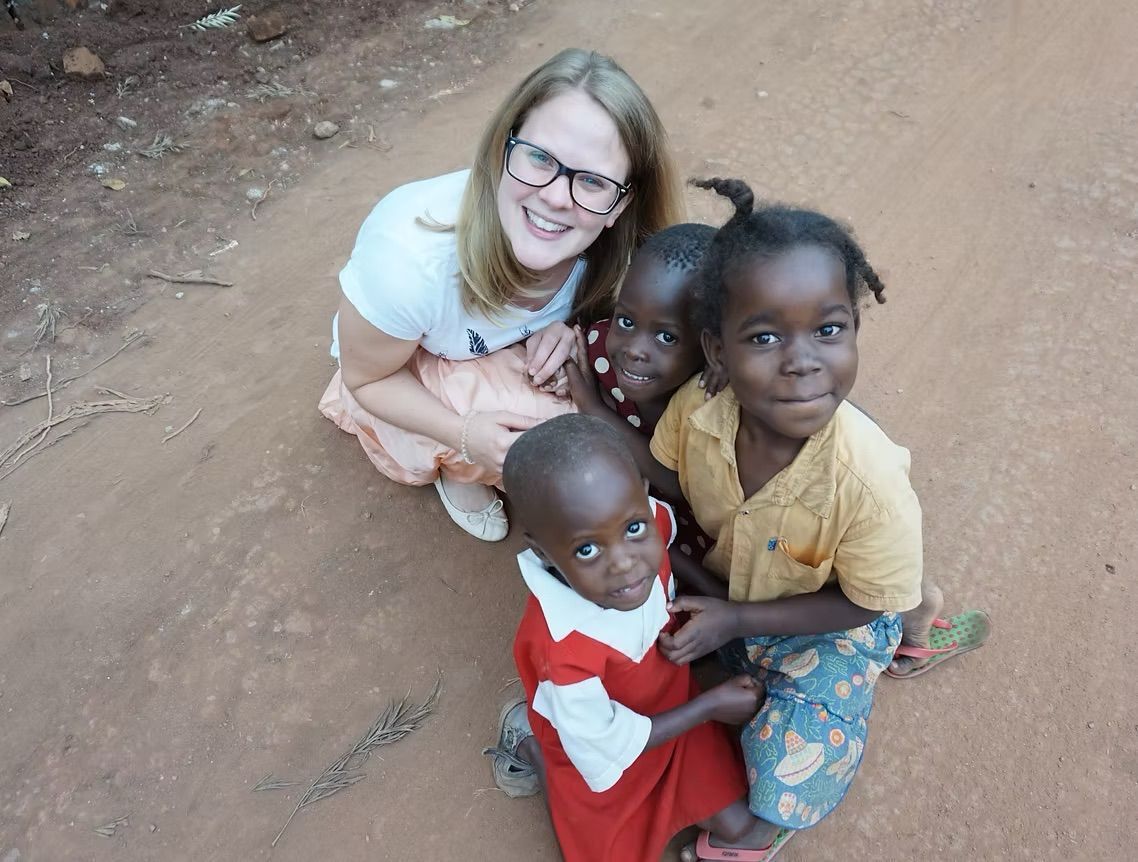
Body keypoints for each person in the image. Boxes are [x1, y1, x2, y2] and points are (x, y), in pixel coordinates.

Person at [648, 178, 990, 840]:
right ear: (718, 352)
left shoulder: (870, 479)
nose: (803, 363)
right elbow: (659, 474)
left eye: (828, 330)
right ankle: (913, 600)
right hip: (745, 591)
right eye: (765, 337)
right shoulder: (699, 410)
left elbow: (865, 605)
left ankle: (914, 631)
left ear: (854, 331)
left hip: (839, 619)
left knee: (780, 782)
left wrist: (737, 619)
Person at [319, 48, 682, 541]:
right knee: (574, 450)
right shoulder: (407, 259)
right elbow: (365, 378)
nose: (556, 196)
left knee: (639, 406)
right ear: (503, 149)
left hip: (503, 349)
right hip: (401, 363)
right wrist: (464, 436)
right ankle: (458, 466)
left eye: (592, 181)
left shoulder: (627, 247)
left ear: (622, 203)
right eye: (540, 158)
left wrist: (576, 332)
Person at [486, 414, 792, 862]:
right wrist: (710, 705)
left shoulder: (651, 526)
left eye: (632, 528)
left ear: (644, 502)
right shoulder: (562, 650)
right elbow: (608, 746)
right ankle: (535, 749)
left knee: (742, 826)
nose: (627, 563)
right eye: (586, 549)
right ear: (542, 550)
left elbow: (664, 546)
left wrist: (723, 613)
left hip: (672, 716)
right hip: (603, 758)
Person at [567, 222, 726, 597]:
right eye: (627, 321)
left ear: (712, 349)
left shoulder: (712, 398)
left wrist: (594, 409)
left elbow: (678, 485)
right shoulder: (599, 351)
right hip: (636, 500)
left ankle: (713, 593)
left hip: (697, 513)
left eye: (667, 336)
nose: (634, 348)